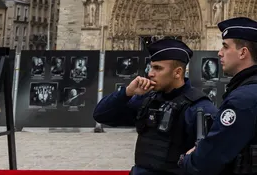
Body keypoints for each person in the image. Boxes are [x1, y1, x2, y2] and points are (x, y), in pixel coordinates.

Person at [93, 38, 218, 175]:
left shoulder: (199, 108)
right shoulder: (147, 100)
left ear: (177, 72)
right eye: (151, 67)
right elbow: (101, 115)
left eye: (158, 68)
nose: (150, 73)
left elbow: (211, 162)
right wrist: (127, 92)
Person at [179, 17, 257, 175]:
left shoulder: (244, 98)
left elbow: (211, 157)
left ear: (243, 53)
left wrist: (188, 160)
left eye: (225, 47)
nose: (219, 53)